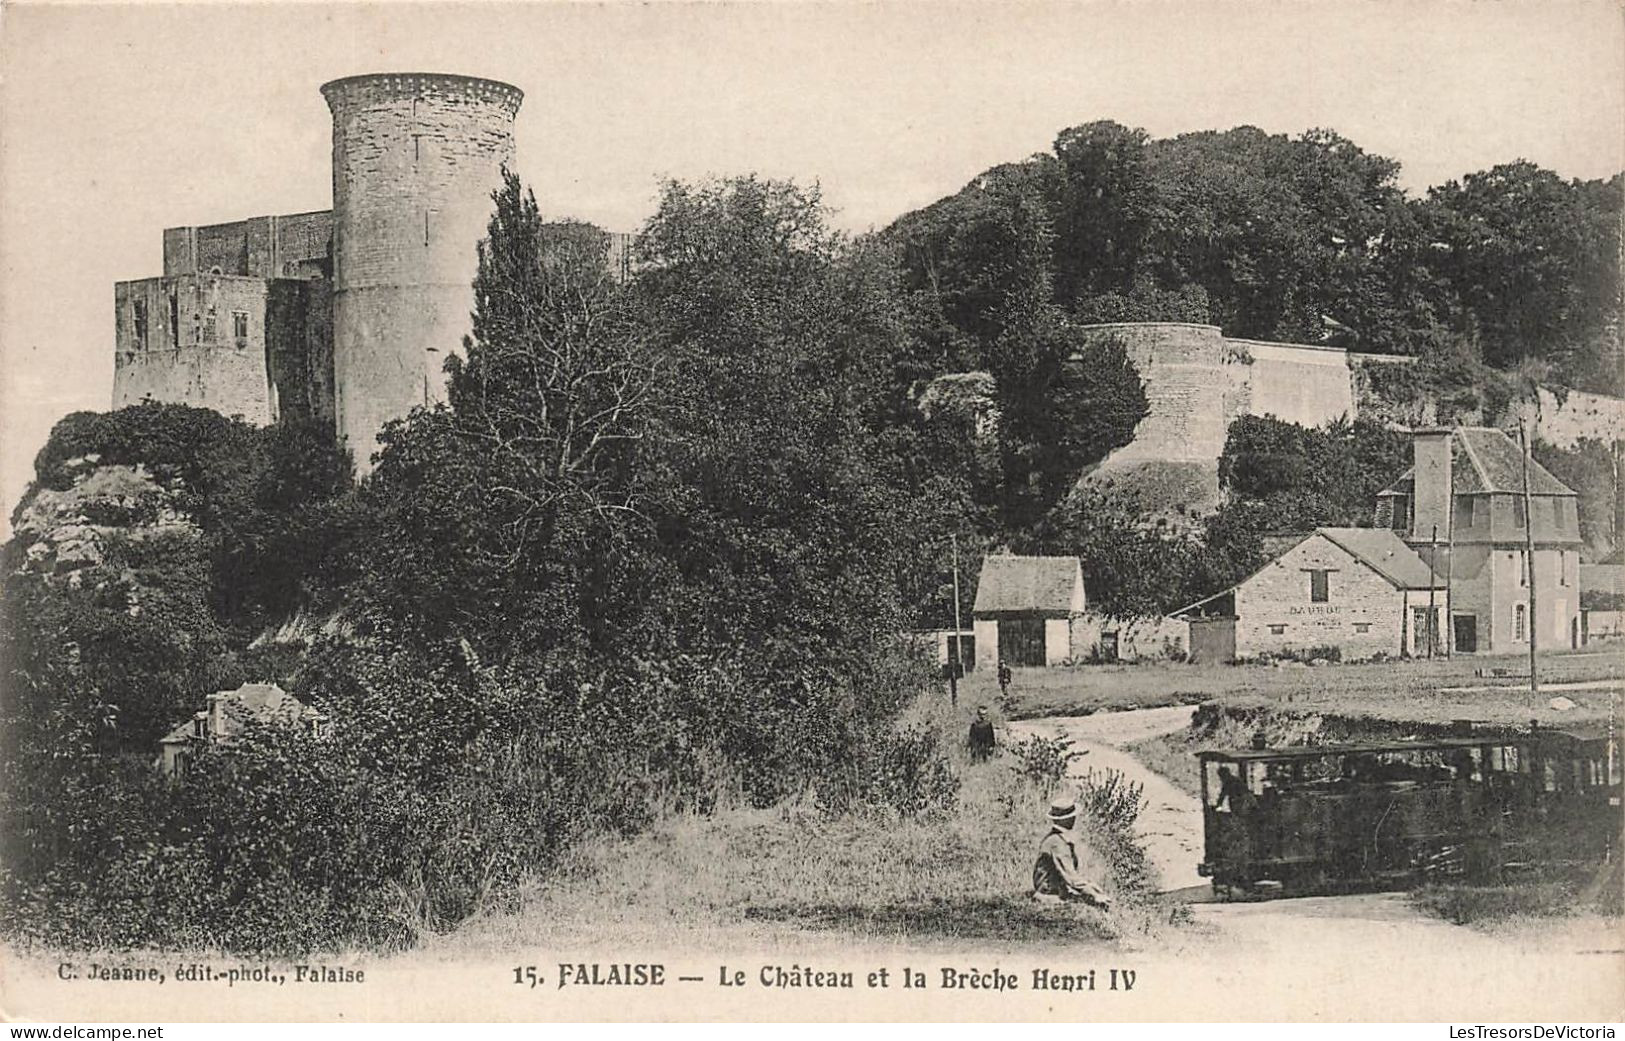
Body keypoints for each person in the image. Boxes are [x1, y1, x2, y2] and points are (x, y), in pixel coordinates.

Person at [1031, 796, 1111, 909]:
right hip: (1049, 896)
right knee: (1096, 906)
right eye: (1071, 816)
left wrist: (1093, 887)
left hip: (1055, 891)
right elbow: (1071, 878)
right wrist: (1094, 894)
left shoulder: (1055, 838)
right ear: (1063, 819)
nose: (1074, 819)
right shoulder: (1057, 843)